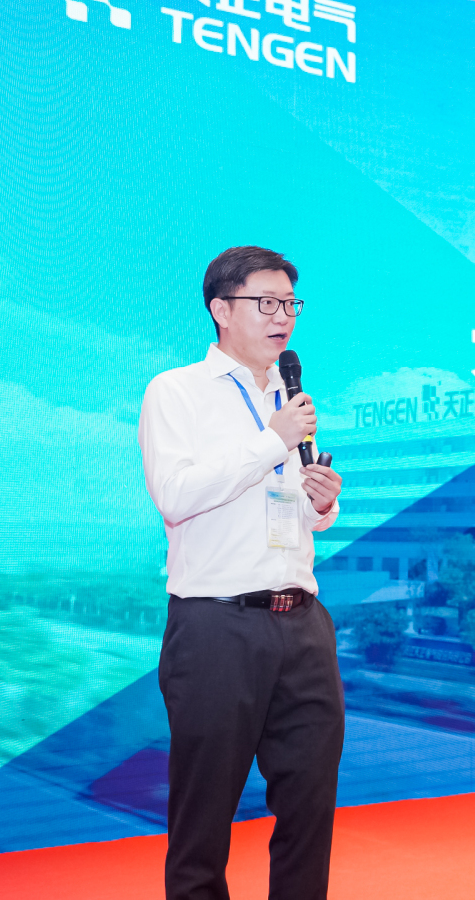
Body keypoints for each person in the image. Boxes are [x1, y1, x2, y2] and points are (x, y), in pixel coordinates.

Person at [138, 245, 346, 900]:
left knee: (310, 805)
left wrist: (321, 503)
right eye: (267, 303)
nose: (283, 317)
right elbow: (177, 495)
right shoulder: (176, 392)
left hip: (303, 624)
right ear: (221, 310)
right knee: (203, 819)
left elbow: (289, 510)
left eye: (290, 304)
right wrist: (272, 440)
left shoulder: (290, 398)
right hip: (216, 627)